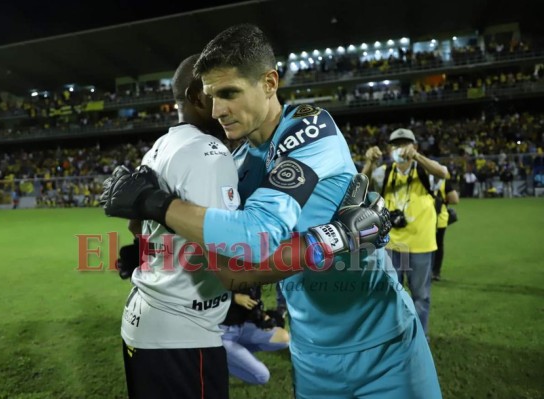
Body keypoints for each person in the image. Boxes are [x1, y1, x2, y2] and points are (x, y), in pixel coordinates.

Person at [103, 24, 440, 399]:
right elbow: (233, 272)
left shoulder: (310, 127)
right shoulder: (239, 162)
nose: (218, 111)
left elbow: (252, 235)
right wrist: (337, 239)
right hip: (312, 354)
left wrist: (152, 203)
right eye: (212, 97)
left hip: (385, 343)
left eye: (229, 93)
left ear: (269, 82)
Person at [117, 54, 236, 399]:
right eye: (224, 92)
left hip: (144, 323)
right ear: (199, 96)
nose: (230, 105)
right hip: (184, 335)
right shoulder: (209, 151)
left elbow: (135, 228)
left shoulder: (160, 146)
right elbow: (227, 249)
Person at [363, 128, 449, 336]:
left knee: (421, 296)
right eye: (396, 144)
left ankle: (419, 337)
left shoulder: (424, 172)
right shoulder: (384, 173)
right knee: (390, 295)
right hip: (392, 245)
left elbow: (443, 172)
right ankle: (394, 336)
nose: (400, 149)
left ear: (414, 146)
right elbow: (358, 188)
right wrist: (369, 163)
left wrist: (417, 157)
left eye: (405, 144)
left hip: (421, 245)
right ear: (389, 149)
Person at [220, 285, 289, 385]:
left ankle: (232, 357)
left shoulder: (251, 278)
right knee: (262, 376)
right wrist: (234, 297)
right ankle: (215, 360)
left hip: (241, 328)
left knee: (283, 338)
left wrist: (263, 317)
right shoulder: (220, 272)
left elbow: (252, 308)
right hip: (220, 335)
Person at [431, 179, 459, 281]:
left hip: (424, 219)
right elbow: (455, 200)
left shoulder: (420, 178)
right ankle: (435, 272)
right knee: (438, 245)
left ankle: (426, 270)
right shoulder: (444, 182)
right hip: (440, 219)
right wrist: (445, 200)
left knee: (425, 245)